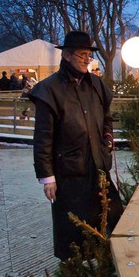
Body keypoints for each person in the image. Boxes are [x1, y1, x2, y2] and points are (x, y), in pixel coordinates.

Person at [30, 31, 124, 260]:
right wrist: (47, 177)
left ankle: (106, 267)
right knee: (73, 229)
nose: (86, 60)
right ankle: (74, 274)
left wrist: (107, 142)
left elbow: (107, 119)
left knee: (112, 218)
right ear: (68, 55)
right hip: (69, 173)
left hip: (98, 167)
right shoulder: (50, 90)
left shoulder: (96, 84)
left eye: (88, 55)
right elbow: (43, 137)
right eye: (82, 55)